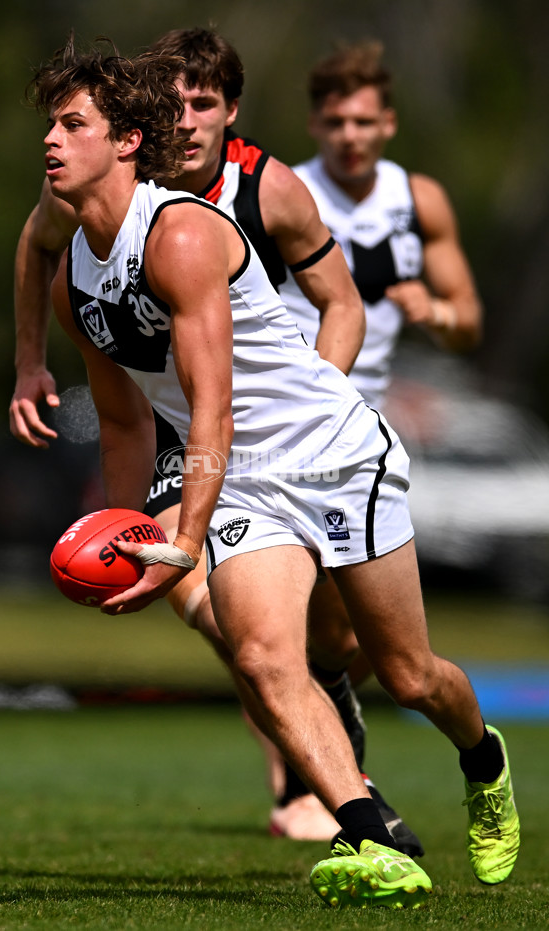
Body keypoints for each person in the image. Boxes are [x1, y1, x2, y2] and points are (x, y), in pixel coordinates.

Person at [28, 35, 519, 910]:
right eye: (50, 128)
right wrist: (131, 533)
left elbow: (210, 409)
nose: (52, 143)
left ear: (125, 142)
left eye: (73, 125)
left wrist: (183, 538)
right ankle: (375, 835)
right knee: (260, 653)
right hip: (245, 478)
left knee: (408, 675)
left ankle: (483, 759)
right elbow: (125, 421)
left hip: (330, 453)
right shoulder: (75, 279)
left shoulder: (178, 234)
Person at [270, 36, 485, 832]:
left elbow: (469, 324)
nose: (349, 136)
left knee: (377, 655)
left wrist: (439, 311)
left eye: (363, 121)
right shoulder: (285, 193)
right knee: (290, 632)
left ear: (387, 124)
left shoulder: (417, 199)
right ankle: (315, 785)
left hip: (363, 437)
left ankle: (456, 755)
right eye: (334, 122)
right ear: (316, 126)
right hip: (285, 429)